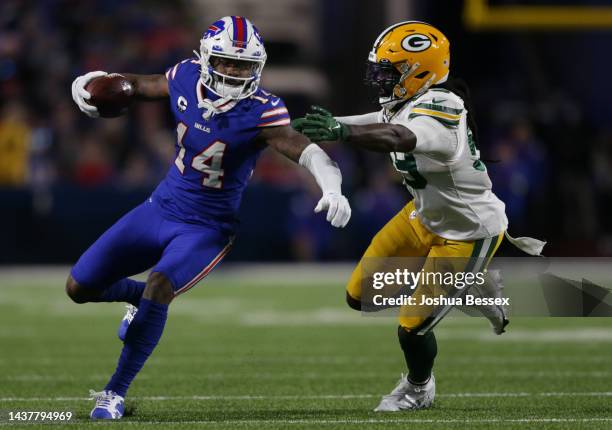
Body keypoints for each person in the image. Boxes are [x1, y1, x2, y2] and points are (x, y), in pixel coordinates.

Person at [68, 16, 351, 420]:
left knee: (160, 285)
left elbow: (302, 148)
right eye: (227, 62)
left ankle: (114, 392)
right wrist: (100, 81)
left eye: (244, 65)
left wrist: (331, 183)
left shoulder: (263, 110)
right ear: (205, 59)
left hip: (208, 227)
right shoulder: (184, 75)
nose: (235, 72)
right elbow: (143, 84)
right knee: (78, 286)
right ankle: (136, 299)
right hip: (159, 208)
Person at [293, 21, 544, 411]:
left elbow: (399, 137)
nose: (378, 78)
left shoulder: (444, 105)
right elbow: (384, 122)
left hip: (468, 231)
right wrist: (333, 127)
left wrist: (342, 134)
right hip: (423, 215)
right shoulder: (407, 102)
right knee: (360, 296)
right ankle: (470, 287)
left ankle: (418, 386)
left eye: (387, 72)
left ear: (420, 71)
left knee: (412, 328)